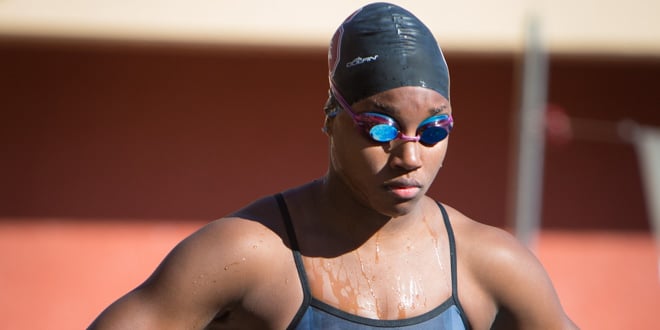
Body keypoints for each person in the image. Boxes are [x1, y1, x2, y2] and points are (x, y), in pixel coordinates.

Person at [89, 2, 577, 329]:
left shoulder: (491, 265)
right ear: (331, 118)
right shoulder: (247, 255)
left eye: (433, 132)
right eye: (381, 129)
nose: (409, 157)